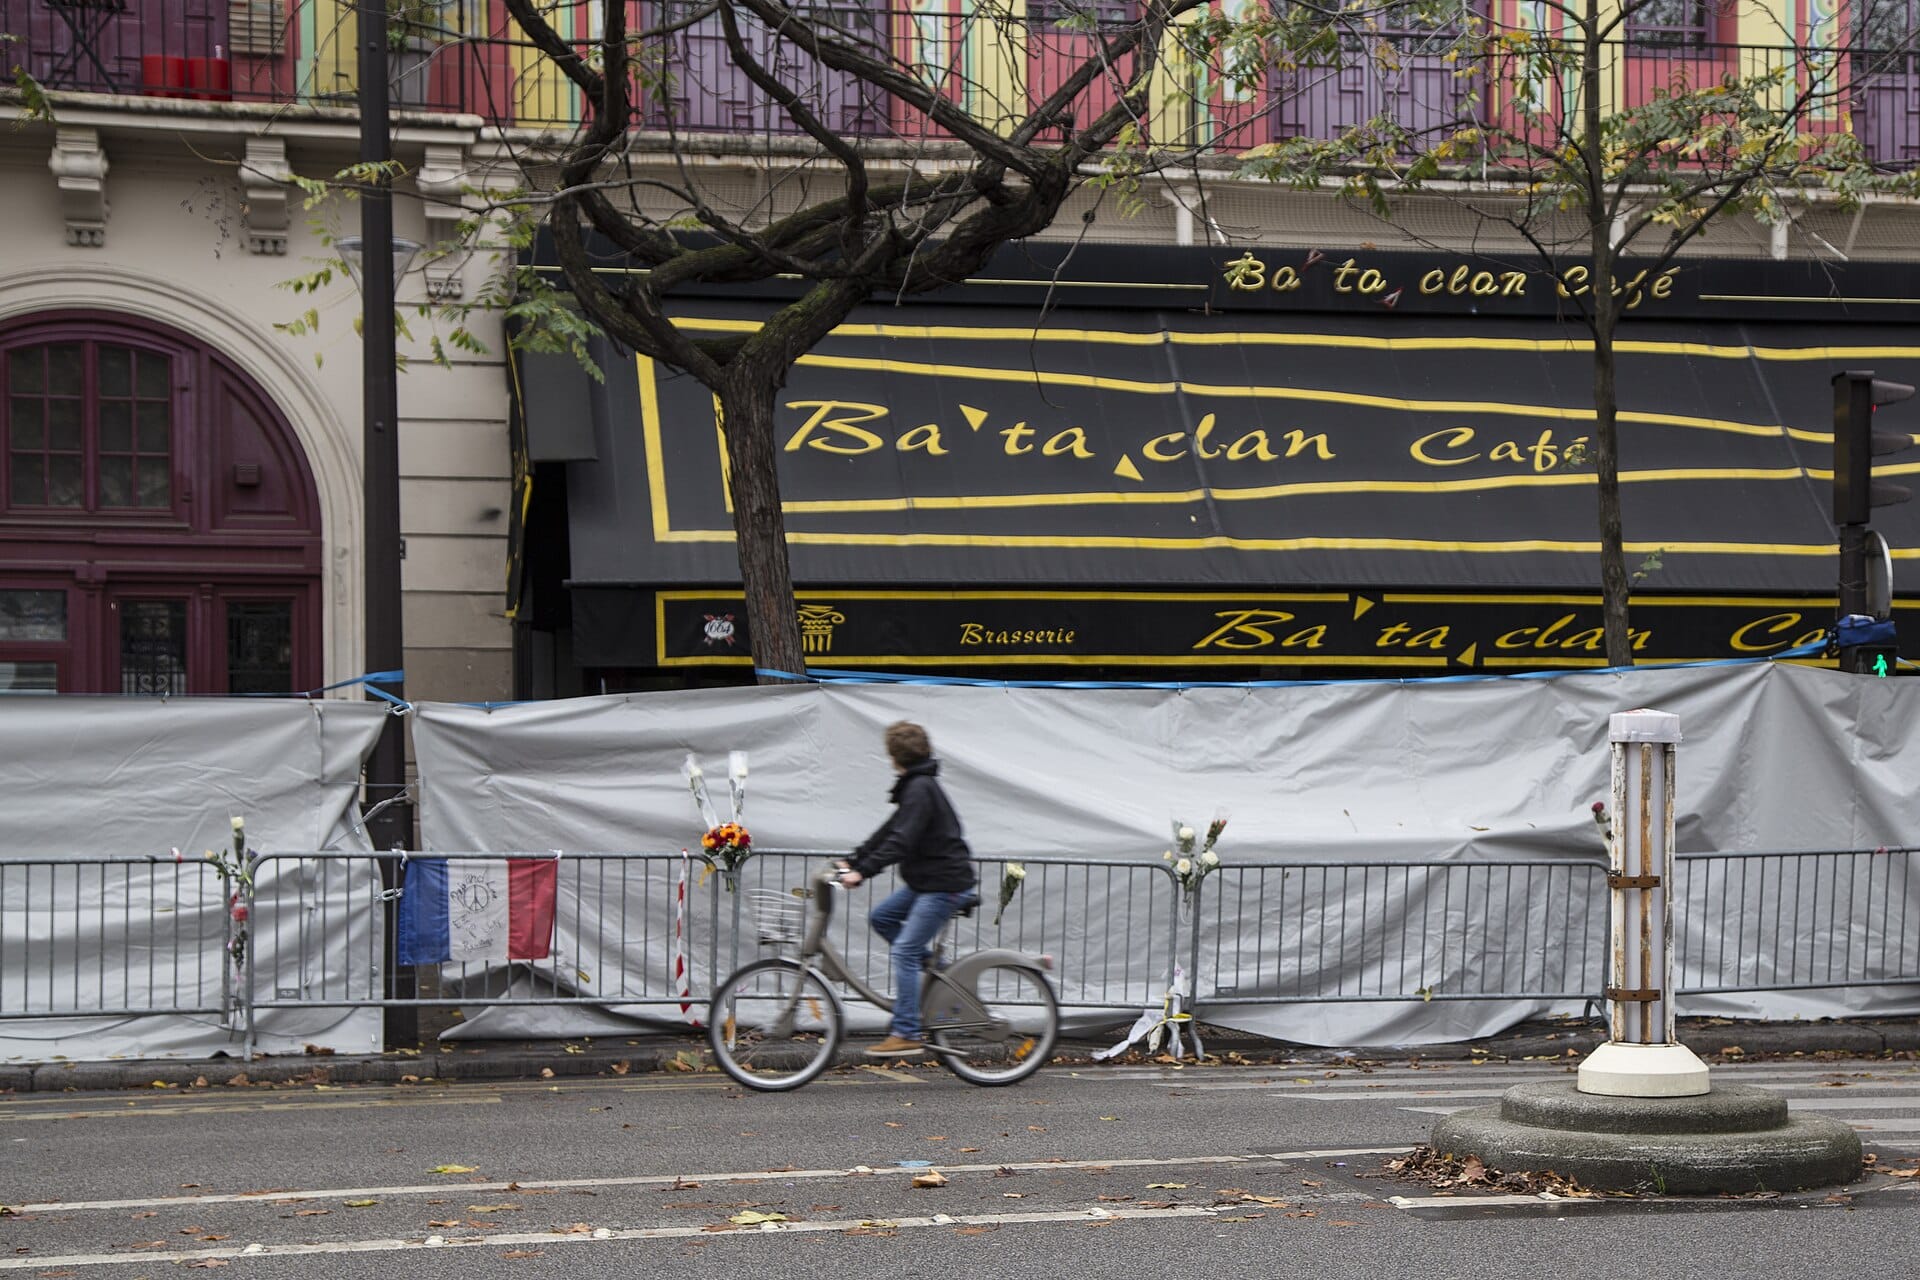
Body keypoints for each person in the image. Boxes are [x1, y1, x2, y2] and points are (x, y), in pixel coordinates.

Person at [837, 721, 978, 1057]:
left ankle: (907, 1031)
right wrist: (853, 860)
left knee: (904, 951)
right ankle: (938, 973)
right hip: (928, 881)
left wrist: (862, 873)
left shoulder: (919, 788)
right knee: (882, 917)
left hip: (944, 884)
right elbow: (888, 831)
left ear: (893, 757)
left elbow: (901, 841)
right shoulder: (916, 786)